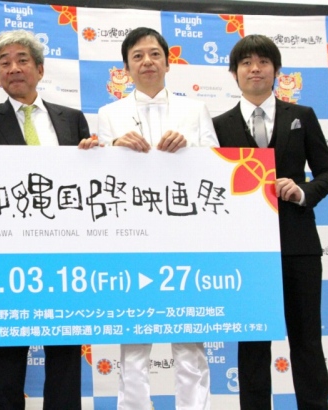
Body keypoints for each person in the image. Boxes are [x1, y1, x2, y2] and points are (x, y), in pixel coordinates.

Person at [0, 29, 96, 409]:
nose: (14, 68)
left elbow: (88, 185)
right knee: (6, 362)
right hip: (8, 256)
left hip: (65, 254)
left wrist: (95, 155)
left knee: (65, 359)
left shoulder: (72, 119)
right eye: (4, 63)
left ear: (40, 69)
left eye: (22, 60)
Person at [97, 27, 218, 410]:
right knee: (134, 341)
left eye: (154, 54)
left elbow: (217, 165)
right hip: (131, 238)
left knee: (189, 341)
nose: (147, 61)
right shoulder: (108, 114)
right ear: (126, 68)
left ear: (168, 62)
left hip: (187, 236)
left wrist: (190, 146)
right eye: (137, 56)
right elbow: (99, 176)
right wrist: (114, 147)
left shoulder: (195, 110)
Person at [213, 34, 328, 410]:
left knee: (306, 340)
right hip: (246, 252)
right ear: (234, 73)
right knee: (252, 344)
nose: (255, 69)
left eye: (263, 62)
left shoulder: (302, 116)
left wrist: (301, 191)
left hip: (299, 246)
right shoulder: (217, 125)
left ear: (276, 70)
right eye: (246, 63)